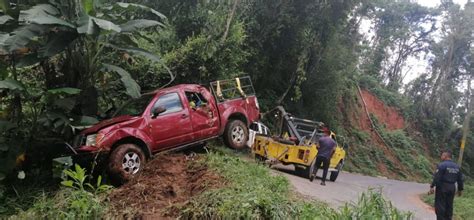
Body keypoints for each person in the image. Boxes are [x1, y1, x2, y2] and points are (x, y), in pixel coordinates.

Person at [429, 150, 464, 220]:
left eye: (442, 155)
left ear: (445, 156)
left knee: (440, 205)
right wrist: (460, 190)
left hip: (442, 187)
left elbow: (437, 177)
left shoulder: (442, 165)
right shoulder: (457, 167)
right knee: (449, 205)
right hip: (452, 188)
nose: (441, 157)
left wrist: (432, 186)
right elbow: (460, 179)